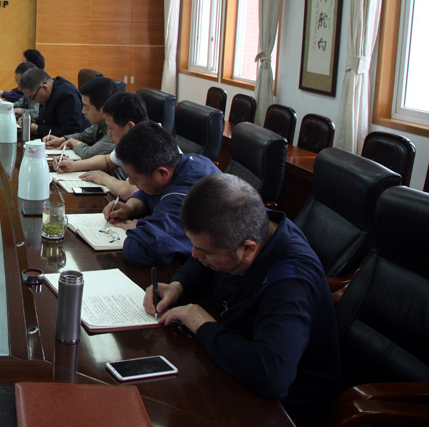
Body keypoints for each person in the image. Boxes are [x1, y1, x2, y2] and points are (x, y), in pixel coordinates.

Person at [146, 174, 341, 426]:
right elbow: (203, 261)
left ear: (249, 248)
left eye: (204, 252)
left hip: (281, 408)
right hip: (233, 360)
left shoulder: (291, 283)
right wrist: (178, 286)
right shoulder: (246, 226)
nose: (194, 255)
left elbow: (271, 375)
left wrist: (202, 323)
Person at [103, 120, 220, 267]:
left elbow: (140, 251)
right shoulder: (186, 162)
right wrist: (131, 207)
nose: (131, 183)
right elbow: (153, 191)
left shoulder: (185, 197)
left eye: (135, 178)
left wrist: (140, 225)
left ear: (162, 173)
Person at [55, 91, 148, 197]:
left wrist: (103, 178)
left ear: (130, 127)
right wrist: (74, 165)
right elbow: (107, 161)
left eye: (111, 128)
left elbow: (129, 191)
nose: (108, 133)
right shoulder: (133, 139)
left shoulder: (149, 144)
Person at [45, 76, 119, 159]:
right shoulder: (100, 121)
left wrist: (75, 143)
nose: (83, 111)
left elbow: (89, 154)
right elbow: (84, 136)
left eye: (87, 107)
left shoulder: (117, 128)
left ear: (103, 109)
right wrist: (63, 139)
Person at [18, 67, 86, 138]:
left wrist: (37, 129)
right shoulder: (46, 94)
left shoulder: (67, 95)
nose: (33, 101)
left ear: (44, 88)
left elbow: (70, 131)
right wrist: (33, 121)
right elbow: (48, 120)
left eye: (33, 97)